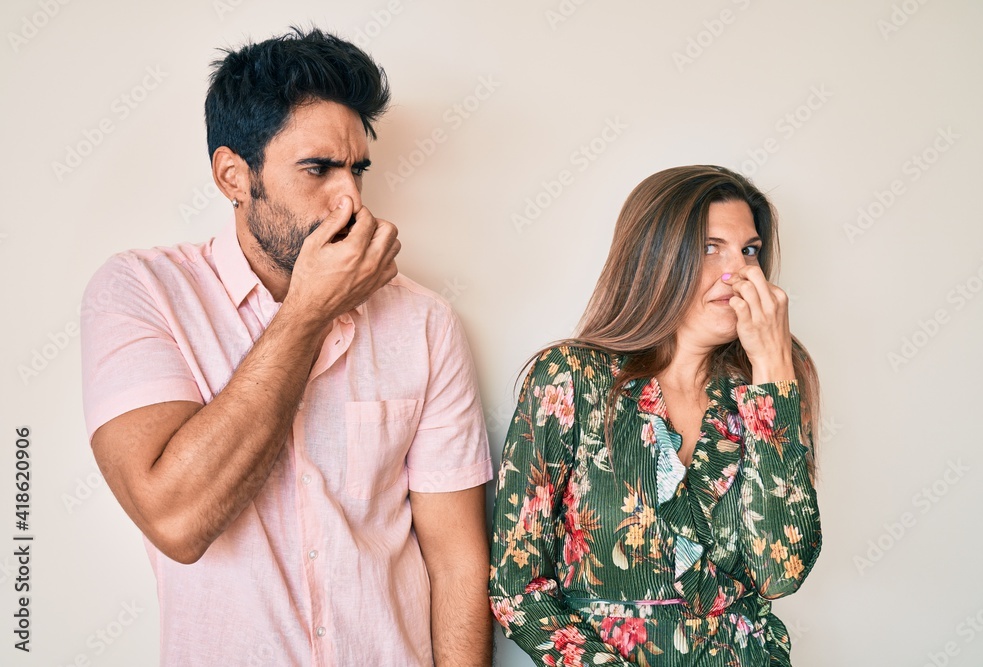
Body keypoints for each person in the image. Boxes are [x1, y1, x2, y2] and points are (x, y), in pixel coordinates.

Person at [80, 27, 493, 666]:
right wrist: (309, 312)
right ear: (233, 177)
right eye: (318, 169)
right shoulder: (140, 292)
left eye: (357, 169)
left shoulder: (425, 321)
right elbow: (176, 520)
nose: (350, 199)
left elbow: (457, 560)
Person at [489, 165, 822, 666]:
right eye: (712, 248)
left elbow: (782, 571)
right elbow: (517, 589)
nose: (739, 273)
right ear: (656, 258)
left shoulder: (768, 384)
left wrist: (773, 371)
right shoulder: (572, 378)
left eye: (749, 250)